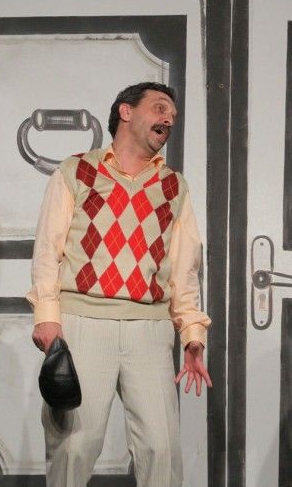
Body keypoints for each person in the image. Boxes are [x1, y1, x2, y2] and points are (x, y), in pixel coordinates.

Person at [27, 82, 213, 486]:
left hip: (150, 329)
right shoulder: (77, 170)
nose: (169, 119)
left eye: (173, 115)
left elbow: (185, 267)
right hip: (81, 323)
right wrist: (47, 316)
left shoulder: (173, 185)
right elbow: (47, 250)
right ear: (126, 112)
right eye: (160, 108)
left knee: (162, 451)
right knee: (73, 449)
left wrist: (192, 333)